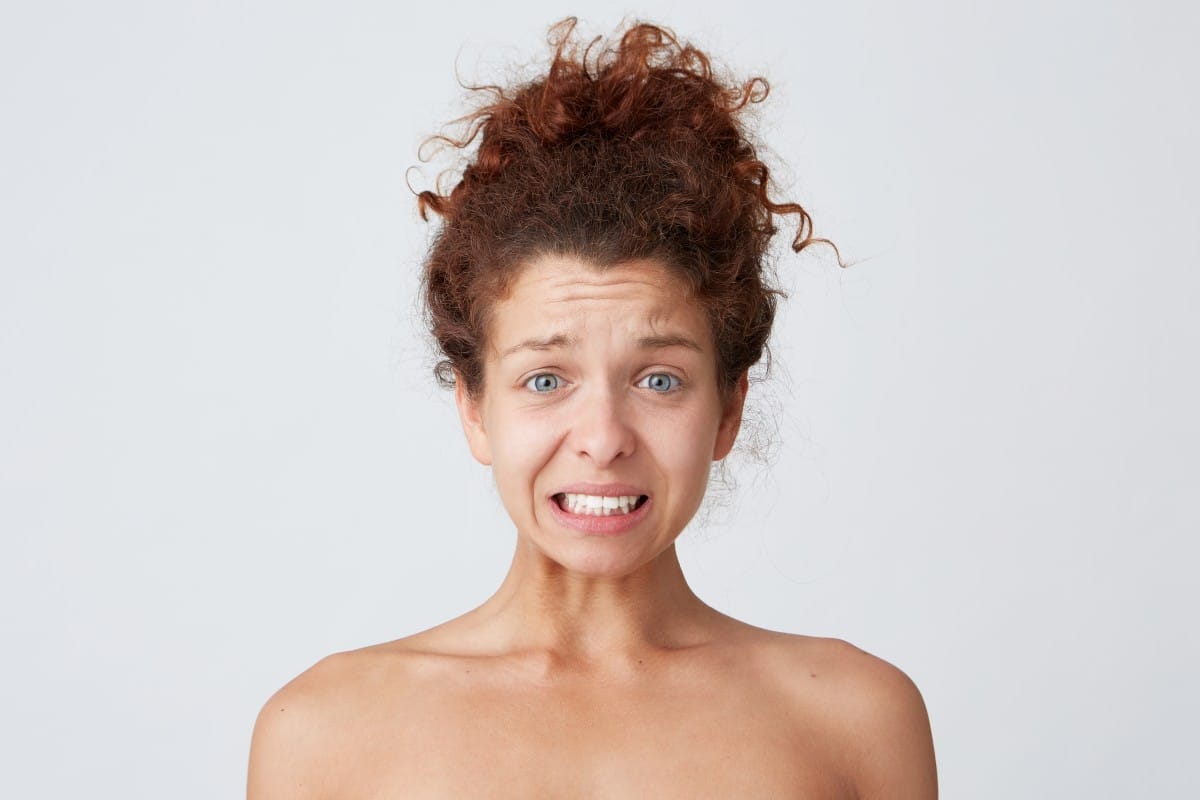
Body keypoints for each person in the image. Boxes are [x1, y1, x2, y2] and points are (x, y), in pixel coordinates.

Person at [247, 18, 937, 799]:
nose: (603, 440)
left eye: (659, 380)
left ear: (728, 408)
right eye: (547, 379)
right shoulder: (324, 734)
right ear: (474, 407)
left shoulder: (855, 720)